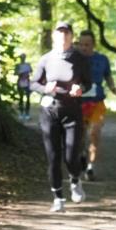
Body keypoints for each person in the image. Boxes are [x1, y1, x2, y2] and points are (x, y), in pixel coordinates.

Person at [29, 21, 92, 212]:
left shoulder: (80, 59)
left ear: (72, 37)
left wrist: (80, 89)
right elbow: (33, 83)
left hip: (72, 111)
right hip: (50, 111)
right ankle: (58, 198)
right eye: (60, 32)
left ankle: (75, 179)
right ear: (54, 36)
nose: (63, 36)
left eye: (66, 33)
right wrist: (44, 88)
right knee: (53, 157)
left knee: (71, 155)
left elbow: (89, 83)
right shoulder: (46, 59)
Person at [77, 30, 116, 181]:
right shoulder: (74, 60)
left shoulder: (102, 59)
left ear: (93, 45)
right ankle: (82, 155)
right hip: (79, 103)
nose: (84, 47)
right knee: (80, 136)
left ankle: (90, 167)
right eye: (81, 44)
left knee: (95, 133)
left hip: (97, 102)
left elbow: (108, 75)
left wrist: (112, 87)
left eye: (87, 45)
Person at [14, 53, 33, 120]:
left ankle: (27, 113)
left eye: (24, 57)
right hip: (20, 82)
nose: (23, 58)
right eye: (21, 57)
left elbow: (31, 71)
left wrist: (27, 72)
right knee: (21, 98)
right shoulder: (18, 65)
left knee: (28, 98)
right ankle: (21, 113)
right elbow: (15, 73)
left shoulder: (28, 64)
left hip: (27, 82)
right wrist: (20, 73)